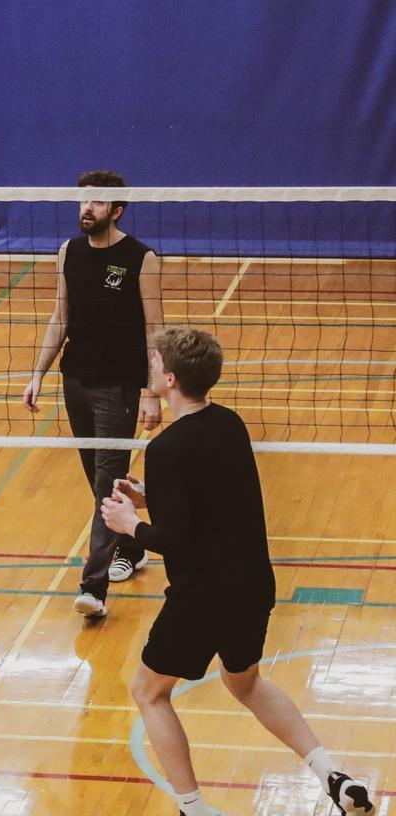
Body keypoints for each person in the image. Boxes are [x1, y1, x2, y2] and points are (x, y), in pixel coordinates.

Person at [101, 328, 375, 816]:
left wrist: (132, 525)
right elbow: (213, 502)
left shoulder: (163, 450)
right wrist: (154, 500)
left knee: (149, 692)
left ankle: (192, 807)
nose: (150, 369)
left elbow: (177, 541)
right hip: (253, 586)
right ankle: (332, 775)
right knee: (244, 682)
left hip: (203, 597)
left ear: (169, 379)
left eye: (154, 363)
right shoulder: (231, 423)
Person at [22, 170, 163, 619]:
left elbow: (154, 329)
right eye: (84, 201)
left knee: (106, 483)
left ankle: (94, 587)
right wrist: (37, 373)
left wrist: (152, 393)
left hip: (118, 387)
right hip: (75, 383)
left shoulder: (142, 258)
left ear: (116, 211)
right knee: (99, 481)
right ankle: (132, 543)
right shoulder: (69, 252)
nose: (87, 209)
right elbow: (59, 318)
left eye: (98, 203)